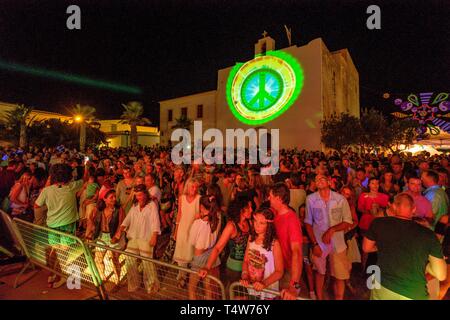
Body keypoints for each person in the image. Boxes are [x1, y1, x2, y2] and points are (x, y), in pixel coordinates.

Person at [363, 193, 447, 300]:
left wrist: (386, 245)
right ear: (414, 209)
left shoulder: (378, 223)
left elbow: (366, 248)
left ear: (393, 207)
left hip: (383, 286)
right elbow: (441, 275)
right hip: (412, 292)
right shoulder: (428, 235)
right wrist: (425, 263)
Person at [34, 163, 84, 288]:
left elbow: (37, 205)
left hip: (52, 225)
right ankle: (62, 277)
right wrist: (86, 167)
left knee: (55, 250)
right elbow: (85, 179)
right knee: (64, 252)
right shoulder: (72, 186)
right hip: (68, 225)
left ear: (52, 176)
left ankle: (53, 274)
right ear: (68, 175)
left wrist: (51, 208)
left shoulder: (47, 190)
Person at [305, 174, 353, 300]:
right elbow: (308, 223)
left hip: (338, 243)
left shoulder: (340, 199)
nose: (319, 181)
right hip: (319, 243)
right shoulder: (310, 199)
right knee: (320, 273)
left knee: (339, 275)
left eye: (322, 179)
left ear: (329, 182)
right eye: (316, 180)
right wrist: (314, 244)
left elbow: (348, 221)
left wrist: (332, 230)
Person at [198, 196, 253, 291]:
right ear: (241, 210)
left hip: (248, 269)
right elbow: (218, 248)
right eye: (248, 207)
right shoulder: (231, 226)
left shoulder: (250, 222)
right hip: (234, 269)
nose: (252, 210)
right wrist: (207, 267)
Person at [114, 184, 161, 293]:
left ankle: (151, 286)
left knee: (147, 263)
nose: (139, 197)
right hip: (133, 237)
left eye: (141, 195)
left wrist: (154, 236)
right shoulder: (134, 205)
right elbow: (127, 219)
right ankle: (134, 284)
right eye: (137, 195)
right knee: (129, 261)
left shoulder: (152, 205)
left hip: (146, 238)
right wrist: (119, 231)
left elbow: (156, 221)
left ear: (145, 194)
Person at [267, 183, 303, 300]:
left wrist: (294, 285)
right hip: (276, 268)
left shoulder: (291, 219)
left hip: (287, 272)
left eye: (271, 196)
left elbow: (297, 252)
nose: (268, 199)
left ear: (278, 198)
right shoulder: (275, 214)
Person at [240, 208, 284, 300]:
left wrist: (264, 283)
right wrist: (245, 275)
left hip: (268, 292)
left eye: (262, 223)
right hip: (252, 289)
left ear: (269, 225)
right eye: (255, 221)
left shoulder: (274, 243)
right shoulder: (251, 238)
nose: (257, 226)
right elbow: (245, 261)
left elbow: (279, 271)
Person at [87, 189, 125, 286]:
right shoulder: (98, 208)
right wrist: (91, 229)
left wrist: (117, 236)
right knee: (98, 259)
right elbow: (90, 218)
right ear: (104, 199)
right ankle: (102, 276)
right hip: (101, 236)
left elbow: (122, 224)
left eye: (114, 196)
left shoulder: (119, 209)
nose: (114, 199)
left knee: (114, 259)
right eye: (111, 197)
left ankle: (117, 281)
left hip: (113, 236)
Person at [188, 195, 221, 300]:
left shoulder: (198, 223)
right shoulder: (217, 219)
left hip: (199, 256)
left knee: (192, 287)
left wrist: (194, 219)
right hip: (212, 254)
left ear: (202, 207)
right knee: (208, 287)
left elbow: (191, 240)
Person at [173, 178, 200, 288]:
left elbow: (199, 215)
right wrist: (176, 230)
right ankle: (181, 278)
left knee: (192, 254)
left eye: (196, 187)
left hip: (193, 230)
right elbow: (179, 214)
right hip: (182, 229)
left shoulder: (199, 198)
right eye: (192, 187)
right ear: (187, 188)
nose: (194, 189)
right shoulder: (182, 198)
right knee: (181, 254)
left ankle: (193, 280)